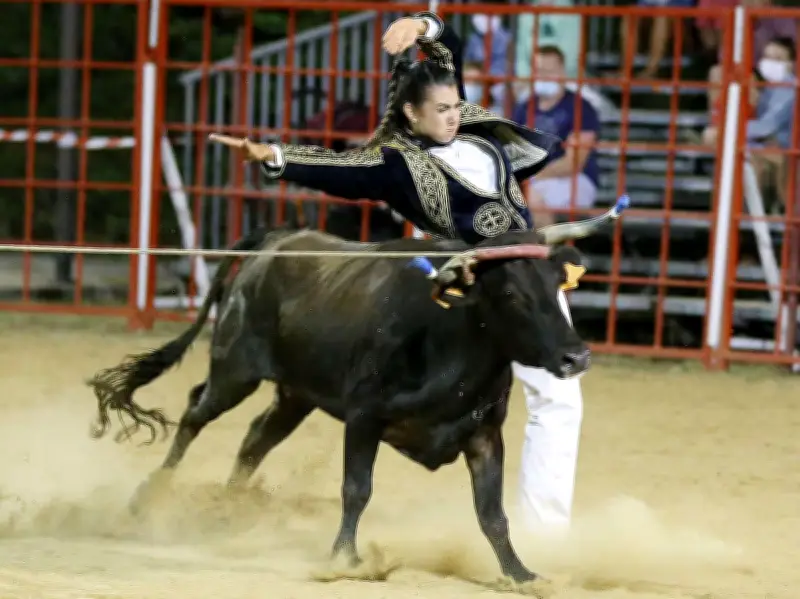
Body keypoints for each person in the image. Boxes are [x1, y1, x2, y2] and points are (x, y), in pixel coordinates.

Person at [210, 11, 588, 535]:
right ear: (412, 114)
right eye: (441, 109)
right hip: (475, 284)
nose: (453, 115)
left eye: (456, 105)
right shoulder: (396, 163)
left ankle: (545, 532)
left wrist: (423, 26)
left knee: (561, 394)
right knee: (470, 393)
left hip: (529, 273)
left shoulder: (476, 128)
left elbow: (448, 49)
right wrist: (273, 155)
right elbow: (334, 168)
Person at [512, 45, 601, 227]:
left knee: (534, 200)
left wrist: (531, 177)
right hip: (532, 180)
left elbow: (573, 163)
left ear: (562, 71)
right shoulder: (524, 108)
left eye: (549, 71)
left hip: (576, 180)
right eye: (539, 71)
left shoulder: (581, 108)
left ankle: (544, 255)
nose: (543, 76)